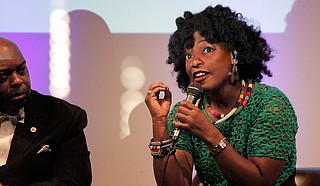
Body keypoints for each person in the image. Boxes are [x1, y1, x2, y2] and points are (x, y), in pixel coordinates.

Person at [145, 4, 298, 186]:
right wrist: (159, 123)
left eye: (207, 49)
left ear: (234, 54)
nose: (194, 62)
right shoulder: (187, 112)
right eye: (188, 56)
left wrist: (210, 134)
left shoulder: (270, 103)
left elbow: (261, 181)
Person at [0, 37, 92, 185]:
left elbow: (73, 182)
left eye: (21, 70)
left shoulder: (63, 117)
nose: (17, 80)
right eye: (4, 76)